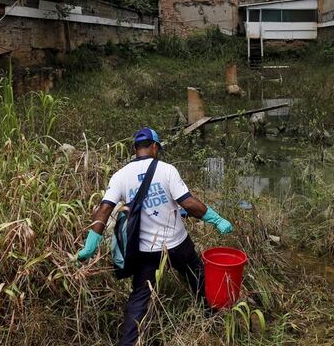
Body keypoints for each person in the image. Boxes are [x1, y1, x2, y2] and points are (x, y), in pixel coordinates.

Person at [76, 128, 234, 346]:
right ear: (155, 146)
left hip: (146, 251)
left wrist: (90, 245)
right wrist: (216, 219)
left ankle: (129, 342)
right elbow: (187, 202)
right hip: (178, 244)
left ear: (135, 149)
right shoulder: (167, 170)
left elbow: (103, 209)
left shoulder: (120, 176)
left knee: (140, 297)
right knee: (197, 276)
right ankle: (210, 315)